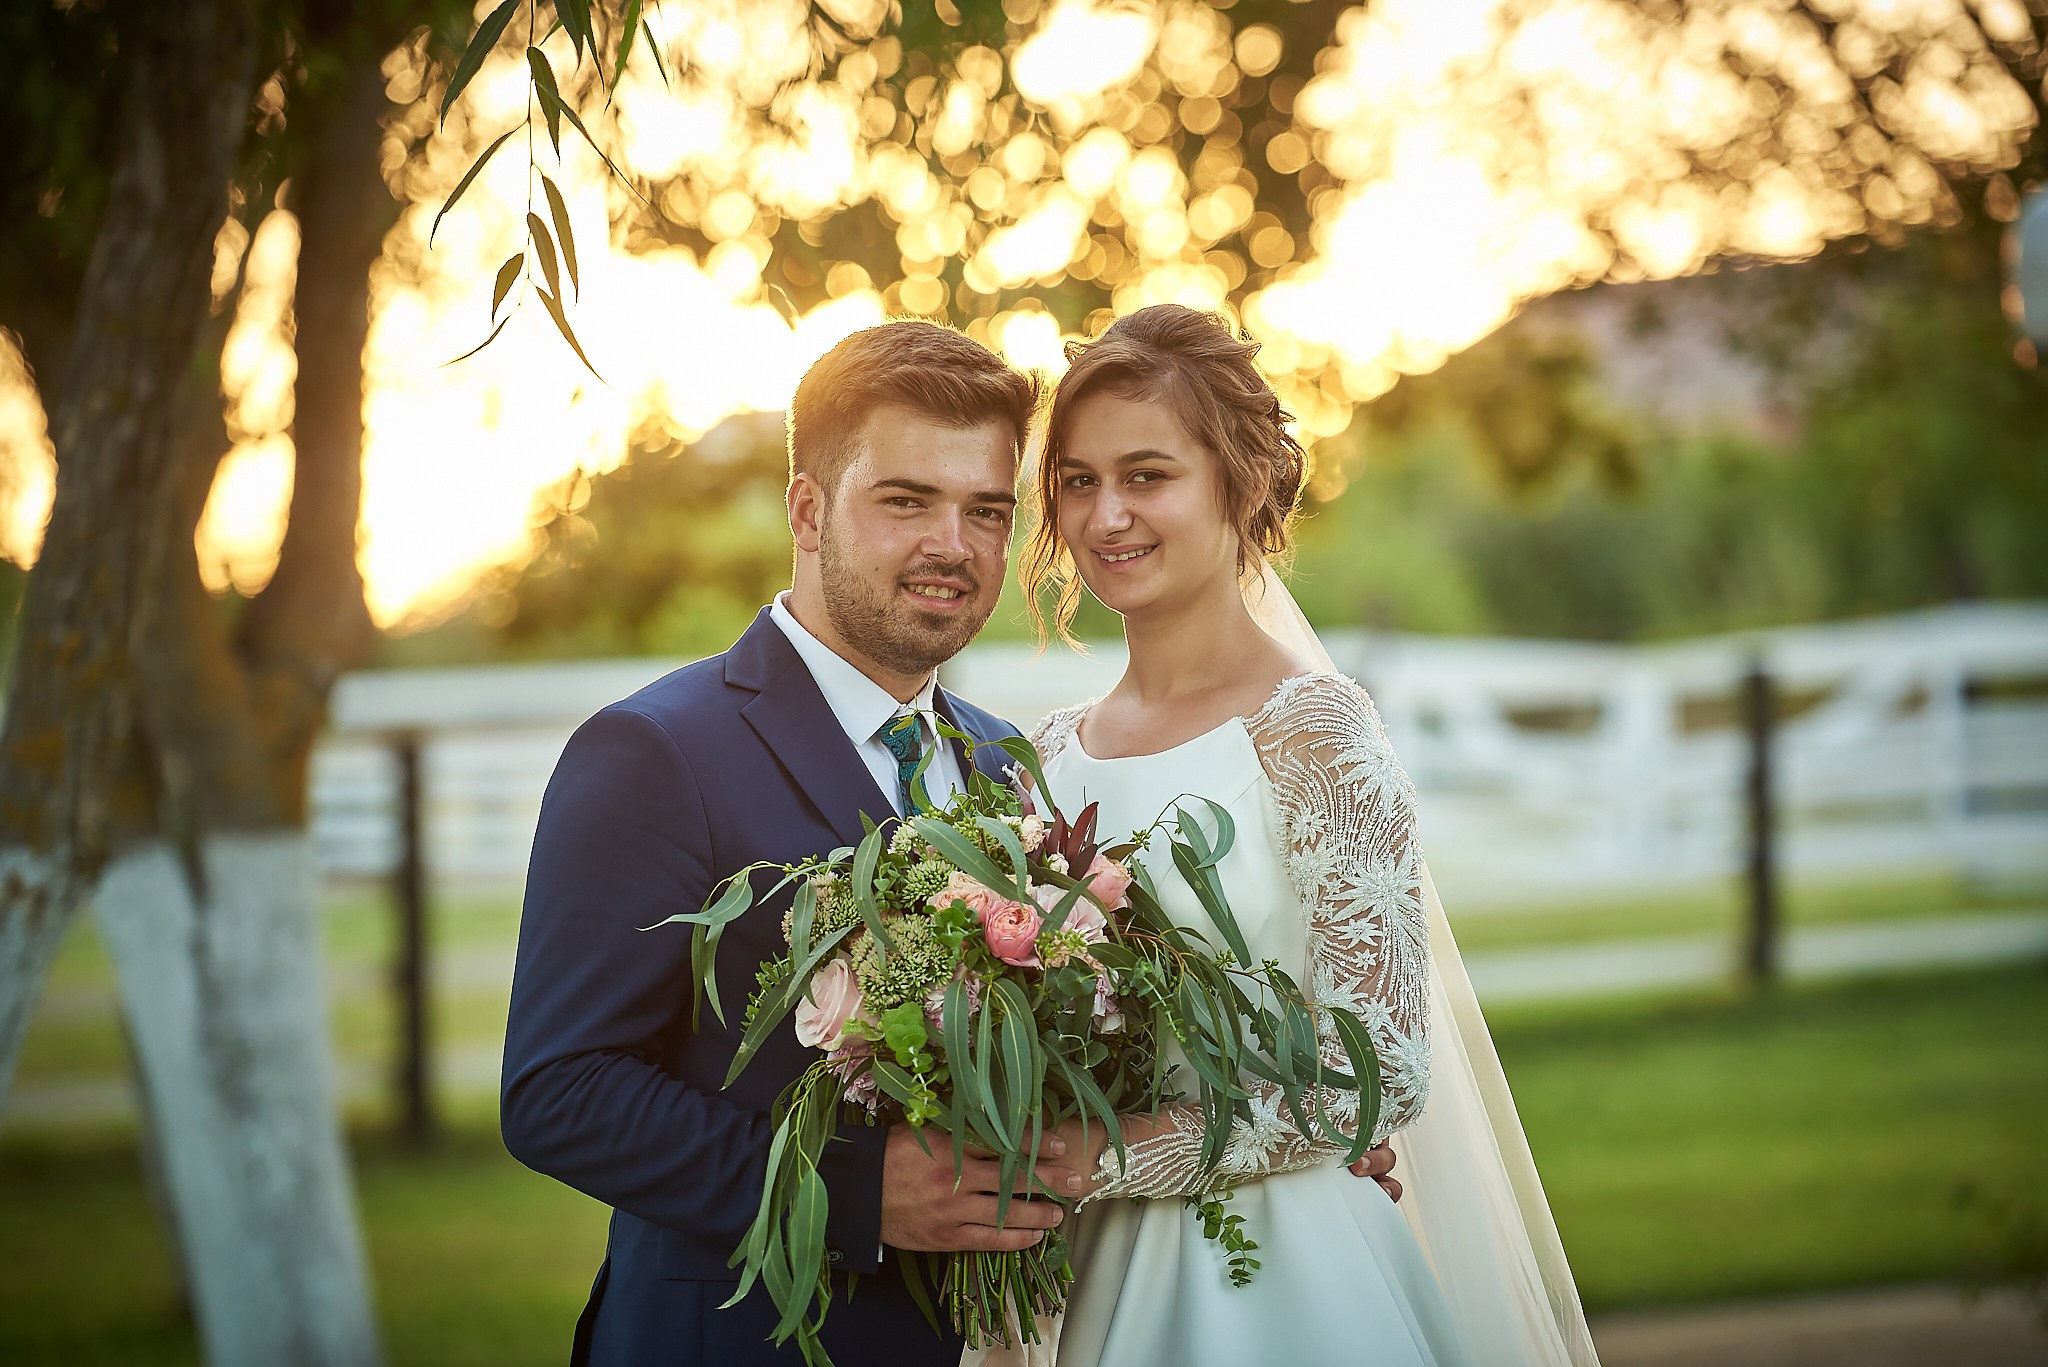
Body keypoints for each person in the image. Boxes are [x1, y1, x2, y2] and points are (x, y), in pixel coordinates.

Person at [501, 317, 1413, 1366]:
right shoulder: (657, 749)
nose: (953, 543)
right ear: (806, 508)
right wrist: (856, 1188)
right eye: (905, 500)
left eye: (986, 509)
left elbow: (1094, 1046)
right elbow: (559, 1090)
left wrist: (1268, 1139)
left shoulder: (1011, 767)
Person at [1013, 304, 1601, 1366]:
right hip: (1088, 1278)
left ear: (1238, 482)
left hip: (1284, 1273)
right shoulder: (1049, 756)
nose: (1105, 516)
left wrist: (1104, 1158)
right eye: (1077, 480)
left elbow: (1376, 1073)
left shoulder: (1313, 730)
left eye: (1146, 474)